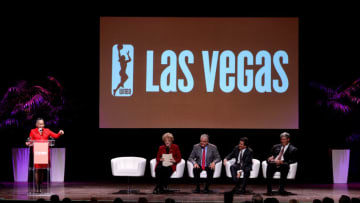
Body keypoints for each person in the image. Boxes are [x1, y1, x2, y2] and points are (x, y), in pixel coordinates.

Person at [25, 118, 64, 193]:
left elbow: (55, 136)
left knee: (42, 170)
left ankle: (40, 186)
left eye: (42, 124)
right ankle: (37, 188)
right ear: (36, 125)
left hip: (45, 152)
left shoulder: (47, 130)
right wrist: (28, 143)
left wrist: (60, 133)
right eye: (39, 124)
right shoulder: (32, 131)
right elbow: (30, 140)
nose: (41, 125)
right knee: (37, 170)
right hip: (37, 151)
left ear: (44, 125)